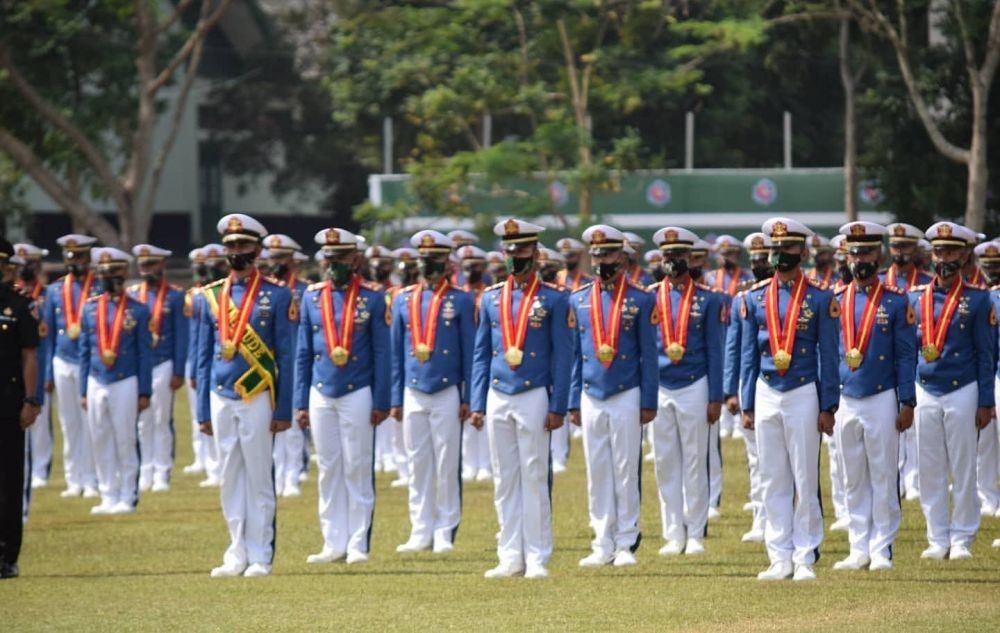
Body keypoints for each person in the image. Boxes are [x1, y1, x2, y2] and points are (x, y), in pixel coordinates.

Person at [470, 218, 572, 579]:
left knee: (533, 475)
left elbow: (564, 355)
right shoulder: (491, 297)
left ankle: (538, 554)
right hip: (499, 392)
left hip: (533, 393)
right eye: (510, 250)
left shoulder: (555, 299)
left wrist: (559, 404)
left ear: (537, 253)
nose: (516, 257)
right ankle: (509, 554)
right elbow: (482, 353)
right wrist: (478, 402)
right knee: (504, 477)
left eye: (523, 250)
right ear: (502, 252)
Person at [740, 217, 840, 581]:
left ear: (803, 251)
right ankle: (778, 554)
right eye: (776, 248)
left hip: (802, 390)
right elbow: (749, 355)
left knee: (804, 476)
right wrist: (747, 403)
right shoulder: (754, 296)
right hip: (767, 389)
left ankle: (805, 555)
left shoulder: (820, 296)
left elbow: (829, 355)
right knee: (772, 477)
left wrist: (829, 405)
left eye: (788, 248)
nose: (781, 254)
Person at [196, 213, 296, 578]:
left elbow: (287, 356)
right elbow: (202, 357)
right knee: (229, 475)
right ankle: (235, 550)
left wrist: (283, 408)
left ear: (256, 249)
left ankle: (260, 553)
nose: (237, 251)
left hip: (257, 394)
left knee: (257, 475)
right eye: (231, 245)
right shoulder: (210, 295)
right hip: (220, 393)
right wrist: (201, 411)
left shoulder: (277, 294)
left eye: (243, 245)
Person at [295, 228, 389, 565]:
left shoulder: (374, 297)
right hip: (320, 390)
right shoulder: (311, 296)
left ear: (355, 259)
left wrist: (381, 401)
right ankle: (332, 540)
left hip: (357, 389)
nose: (334, 263)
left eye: (341, 257)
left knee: (357, 465)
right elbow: (303, 352)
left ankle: (358, 542)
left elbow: (382, 353)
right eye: (329, 257)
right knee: (329, 466)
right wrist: (299, 402)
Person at [568, 224, 658, 568]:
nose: (601, 261)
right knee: (597, 470)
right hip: (592, 393)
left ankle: (626, 540)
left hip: (626, 391)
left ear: (621, 256)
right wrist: (573, 399)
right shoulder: (578, 299)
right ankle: (600, 541)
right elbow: (576, 354)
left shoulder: (640, 298)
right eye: (596, 255)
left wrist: (648, 400)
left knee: (625, 468)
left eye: (607, 254)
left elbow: (649, 355)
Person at [830, 221, 916, 572]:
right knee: (852, 475)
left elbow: (906, 353)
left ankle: (882, 547)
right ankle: (857, 546)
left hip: (882, 394)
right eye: (854, 252)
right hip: (846, 396)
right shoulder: (835, 300)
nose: (859, 259)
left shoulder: (896, 302)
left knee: (883, 473)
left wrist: (906, 400)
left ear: (879, 254)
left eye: (866, 251)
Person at [909, 222, 995, 561]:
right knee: (930, 468)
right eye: (938, 251)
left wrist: (986, 401)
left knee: (963, 467)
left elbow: (986, 354)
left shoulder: (977, 299)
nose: (943, 258)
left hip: (963, 388)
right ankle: (937, 537)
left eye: (950, 252)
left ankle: (962, 537)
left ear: (963, 255)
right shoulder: (916, 297)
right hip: (926, 388)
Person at [390, 230, 474, 554]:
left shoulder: (461, 299)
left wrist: (468, 397)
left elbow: (469, 351)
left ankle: (445, 528)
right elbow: (397, 353)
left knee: (446, 461)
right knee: (417, 461)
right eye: (424, 259)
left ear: (448, 262)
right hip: (413, 389)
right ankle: (420, 528)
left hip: (446, 388)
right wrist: (396, 398)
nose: (429, 264)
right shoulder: (403, 298)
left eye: (435, 258)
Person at [648, 227, 724, 557]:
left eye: (678, 257)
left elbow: (715, 349)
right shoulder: (649, 296)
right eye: (667, 257)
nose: (672, 262)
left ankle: (695, 531)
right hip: (660, 385)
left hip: (695, 382)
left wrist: (715, 396)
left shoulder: (708, 299)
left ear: (689, 259)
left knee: (695, 460)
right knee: (665, 462)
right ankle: (672, 532)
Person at [79, 247, 153, 515]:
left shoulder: (138, 309)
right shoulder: (89, 309)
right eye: (105, 272)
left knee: (125, 437)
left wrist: (144, 390)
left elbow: (145, 353)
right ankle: (107, 493)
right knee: (99, 437)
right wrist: (82, 390)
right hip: (96, 378)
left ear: (124, 273)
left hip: (125, 379)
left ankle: (128, 493)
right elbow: (84, 351)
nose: (110, 276)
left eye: (115, 271)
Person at [724, 232, 774, 544]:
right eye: (753, 259)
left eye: (763, 258)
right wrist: (731, 390)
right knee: (756, 459)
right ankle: (760, 518)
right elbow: (734, 348)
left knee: (785, 461)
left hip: (783, 383)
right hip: (752, 386)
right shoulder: (745, 298)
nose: (758, 264)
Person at [43, 234, 100, 499]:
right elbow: (48, 336)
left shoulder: (98, 288)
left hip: (89, 361)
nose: (74, 261)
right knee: (68, 423)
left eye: (79, 256)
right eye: (70, 256)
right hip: (62, 359)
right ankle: (73, 478)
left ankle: (91, 478)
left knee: (91, 422)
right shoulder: (54, 291)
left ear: (89, 258)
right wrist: (47, 373)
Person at [128, 245, 187, 493]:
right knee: (142, 420)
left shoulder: (174, 295)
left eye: (151, 264)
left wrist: (179, 370)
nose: (146, 270)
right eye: (143, 265)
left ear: (161, 265)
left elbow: (181, 336)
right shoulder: (131, 294)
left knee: (162, 419)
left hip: (163, 361)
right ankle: (145, 470)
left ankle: (162, 471)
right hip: (140, 365)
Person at [0, 237, 42, 580]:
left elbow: (30, 355)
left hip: (9, 403)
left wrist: (31, 400)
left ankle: (7, 555)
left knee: (8, 481)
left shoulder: (20, 304)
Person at [882, 223, 931, 502]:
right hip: (889, 361)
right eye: (896, 246)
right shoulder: (882, 281)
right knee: (892, 426)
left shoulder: (926, 281)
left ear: (914, 248)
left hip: (920, 357)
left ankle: (913, 480)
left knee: (914, 428)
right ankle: (897, 477)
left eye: (906, 246)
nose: (900, 252)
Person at [265, 233, 308, 498]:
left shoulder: (306, 290)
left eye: (280, 257)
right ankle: (276, 476)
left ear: (292, 259)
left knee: (292, 426)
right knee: (268, 424)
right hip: (267, 364)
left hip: (294, 363)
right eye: (272, 257)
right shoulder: (264, 291)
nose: (275, 262)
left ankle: (292, 475)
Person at [182, 244, 226, 486]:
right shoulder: (196, 295)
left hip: (221, 360)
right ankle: (207, 461)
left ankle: (219, 464)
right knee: (199, 413)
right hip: (198, 359)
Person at [14, 243, 51, 490]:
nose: (27, 269)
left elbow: (48, 339)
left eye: (32, 263)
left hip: (39, 361)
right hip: (13, 367)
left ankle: (41, 468)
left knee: (41, 421)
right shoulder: (12, 297)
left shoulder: (48, 295)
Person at [456, 244, 493, 483]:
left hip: (486, 357)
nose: (471, 270)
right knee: (466, 412)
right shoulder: (458, 295)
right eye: (467, 266)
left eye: (475, 266)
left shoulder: (490, 293)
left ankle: (486, 464)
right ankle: (469, 464)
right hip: (464, 358)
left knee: (486, 412)